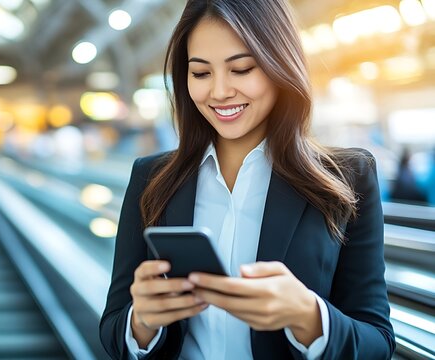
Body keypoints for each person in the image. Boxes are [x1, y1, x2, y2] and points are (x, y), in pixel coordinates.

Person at [99, 1, 395, 359]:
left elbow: (377, 342)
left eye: (241, 69)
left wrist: (308, 316)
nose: (220, 91)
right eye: (201, 73)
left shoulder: (348, 177)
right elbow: (113, 331)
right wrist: (141, 322)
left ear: (279, 65)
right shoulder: (150, 178)